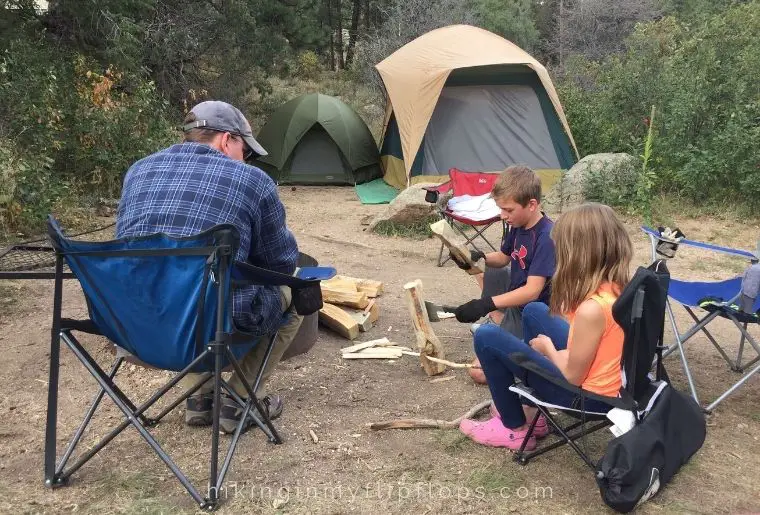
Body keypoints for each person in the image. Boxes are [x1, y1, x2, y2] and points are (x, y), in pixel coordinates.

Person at [116, 100, 301, 434]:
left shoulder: (138, 170)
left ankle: (200, 397)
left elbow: (128, 252)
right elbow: (282, 263)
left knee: (184, 285)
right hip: (210, 325)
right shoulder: (253, 181)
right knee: (294, 292)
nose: (245, 159)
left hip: (135, 327)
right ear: (227, 140)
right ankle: (239, 402)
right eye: (245, 149)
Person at [459, 203, 633, 450]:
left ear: (577, 253)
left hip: (587, 399)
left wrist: (549, 349)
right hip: (612, 383)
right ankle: (532, 412)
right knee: (535, 310)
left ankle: (515, 429)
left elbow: (574, 375)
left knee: (487, 336)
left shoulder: (592, 309)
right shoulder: (619, 287)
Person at [451, 165, 556, 340]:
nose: (502, 216)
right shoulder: (518, 223)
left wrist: (486, 304)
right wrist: (478, 257)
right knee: (494, 270)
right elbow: (503, 258)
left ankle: (510, 327)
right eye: (501, 209)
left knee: (487, 358)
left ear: (531, 204)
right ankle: (499, 319)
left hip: (533, 310)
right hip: (518, 295)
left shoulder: (546, 236)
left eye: (508, 210)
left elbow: (532, 291)